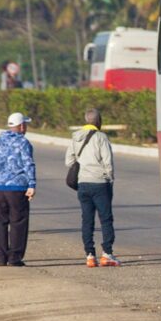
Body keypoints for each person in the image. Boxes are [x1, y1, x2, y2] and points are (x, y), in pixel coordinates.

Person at [65, 108, 120, 268]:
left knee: (87, 219)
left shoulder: (75, 137)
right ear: (98, 121)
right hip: (100, 183)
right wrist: (110, 178)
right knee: (106, 219)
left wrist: (82, 166)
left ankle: (90, 255)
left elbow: (69, 161)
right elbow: (108, 162)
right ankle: (107, 254)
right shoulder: (101, 137)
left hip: (83, 183)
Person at [0, 112, 37, 267]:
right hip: (18, 188)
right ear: (21, 126)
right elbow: (28, 164)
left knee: (0, 222)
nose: (26, 127)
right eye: (25, 124)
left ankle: (1, 257)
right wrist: (32, 184)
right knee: (18, 222)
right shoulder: (23, 143)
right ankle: (14, 257)